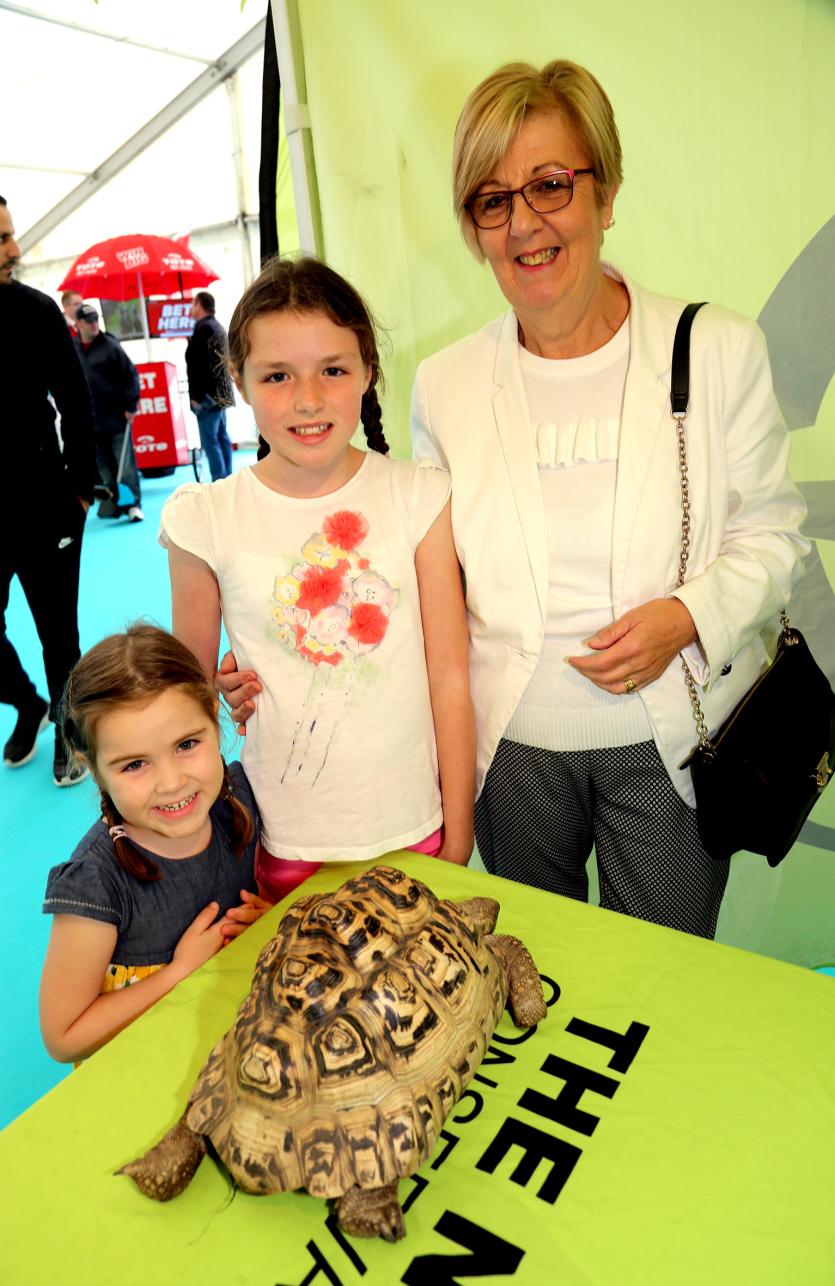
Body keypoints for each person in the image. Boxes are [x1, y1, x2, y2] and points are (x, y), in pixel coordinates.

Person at [407, 59, 810, 938]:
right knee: (535, 975)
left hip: (670, 744)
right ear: (473, 228)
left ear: (606, 190)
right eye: (492, 200)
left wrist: (686, 616)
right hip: (510, 752)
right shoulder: (445, 385)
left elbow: (774, 534)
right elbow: (428, 584)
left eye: (550, 184)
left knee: (661, 982)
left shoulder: (716, 349)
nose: (524, 223)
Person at [161, 256, 474, 905]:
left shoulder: (417, 496)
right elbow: (185, 699)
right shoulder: (205, 518)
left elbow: (448, 675)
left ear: (367, 371)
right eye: (277, 375)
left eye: (332, 370)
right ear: (239, 381)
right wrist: (219, 685)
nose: (308, 399)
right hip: (282, 840)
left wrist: (459, 831)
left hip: (412, 827)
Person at [39, 624, 270, 1064]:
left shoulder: (240, 801)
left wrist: (271, 917)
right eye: (134, 765)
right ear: (92, 767)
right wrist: (180, 972)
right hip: (149, 1068)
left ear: (214, 718)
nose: (171, 782)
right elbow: (63, 1037)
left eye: (187, 744)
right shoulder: (96, 883)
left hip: (237, 1049)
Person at [0, 194, 96, 787]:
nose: (14, 248)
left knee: (58, 635)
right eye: (0, 239)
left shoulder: (34, 312)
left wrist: (80, 490)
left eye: (9, 233)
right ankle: (26, 702)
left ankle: (67, 727)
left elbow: (76, 401)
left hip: (44, 505)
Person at [74, 302, 144, 522]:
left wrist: (131, 406)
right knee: (105, 468)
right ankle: (114, 505)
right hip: (91, 421)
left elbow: (131, 375)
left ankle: (132, 505)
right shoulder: (72, 348)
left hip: (116, 417)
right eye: (89, 321)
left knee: (126, 466)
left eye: (96, 319)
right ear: (78, 324)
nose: (94, 324)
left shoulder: (110, 345)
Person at [186, 290, 235, 481]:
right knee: (221, 437)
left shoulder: (203, 330)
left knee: (210, 441)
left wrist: (198, 397)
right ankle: (227, 479)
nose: (191, 308)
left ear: (200, 305)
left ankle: (219, 482)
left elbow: (200, 367)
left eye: (193, 304)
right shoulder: (217, 327)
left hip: (208, 398)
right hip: (220, 395)